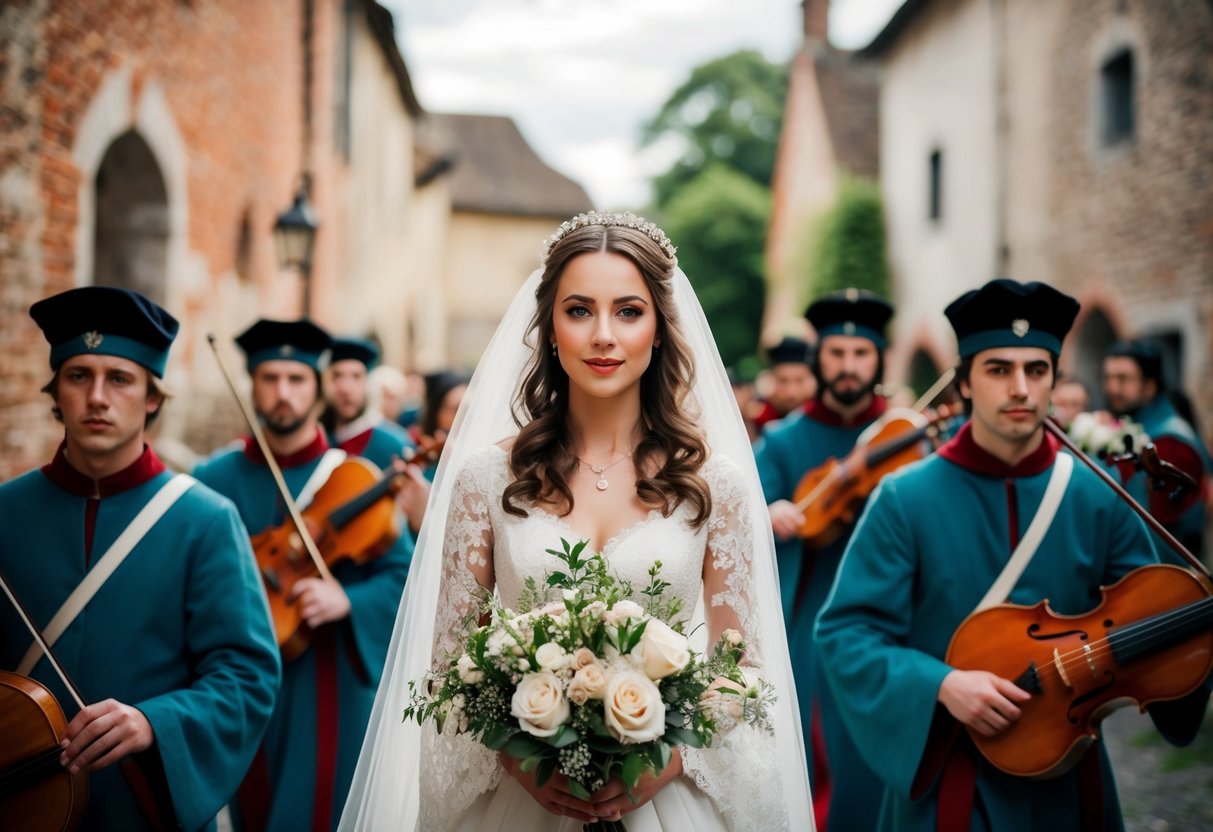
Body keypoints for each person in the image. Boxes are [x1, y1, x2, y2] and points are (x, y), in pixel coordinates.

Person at [339, 211, 813, 831]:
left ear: (660, 330)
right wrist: (522, 762)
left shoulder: (713, 483)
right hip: (522, 800)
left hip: (666, 800)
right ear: (551, 328)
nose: (604, 336)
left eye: (629, 311)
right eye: (580, 310)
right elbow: (448, 670)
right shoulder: (485, 479)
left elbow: (741, 671)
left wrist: (663, 765)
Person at [815, 279, 1210, 831]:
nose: (1020, 388)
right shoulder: (905, 498)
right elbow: (845, 633)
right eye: (999, 370)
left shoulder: (1099, 494)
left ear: (1054, 379)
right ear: (967, 383)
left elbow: (1157, 622)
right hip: (953, 781)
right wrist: (940, 685)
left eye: (1037, 369)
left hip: (1071, 781)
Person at [0, 286, 280, 831]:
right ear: (56, 390)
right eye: (78, 375)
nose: (97, 397)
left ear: (152, 396)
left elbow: (246, 675)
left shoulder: (205, 519)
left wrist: (155, 722)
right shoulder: (6, 511)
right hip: (18, 804)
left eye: (120, 378)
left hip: (143, 809)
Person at [193, 319, 413, 832]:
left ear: (318, 390)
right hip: (235, 678)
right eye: (270, 379)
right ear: (252, 384)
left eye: (296, 380)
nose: (282, 393)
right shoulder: (212, 479)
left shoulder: (349, 476)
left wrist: (349, 602)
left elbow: (403, 575)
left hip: (326, 675)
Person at [753, 287, 894, 830]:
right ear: (818, 358)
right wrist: (769, 512)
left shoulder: (903, 436)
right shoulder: (783, 441)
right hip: (810, 610)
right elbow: (745, 509)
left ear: (878, 359)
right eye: (836, 353)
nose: (848, 366)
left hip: (889, 612)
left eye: (861, 354)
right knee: (816, 746)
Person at [1102, 339, 1210, 554]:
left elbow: (1159, 530)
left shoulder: (1170, 442)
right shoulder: (1135, 427)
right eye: (1108, 378)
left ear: (1149, 387)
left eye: (1123, 379)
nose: (1112, 388)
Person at [324, 336, 416, 470]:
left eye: (356, 376)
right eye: (337, 376)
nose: (345, 388)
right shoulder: (319, 439)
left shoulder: (395, 444)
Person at [751, 336, 815, 433]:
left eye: (799, 380)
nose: (791, 392)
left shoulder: (823, 420)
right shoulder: (755, 424)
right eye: (783, 381)